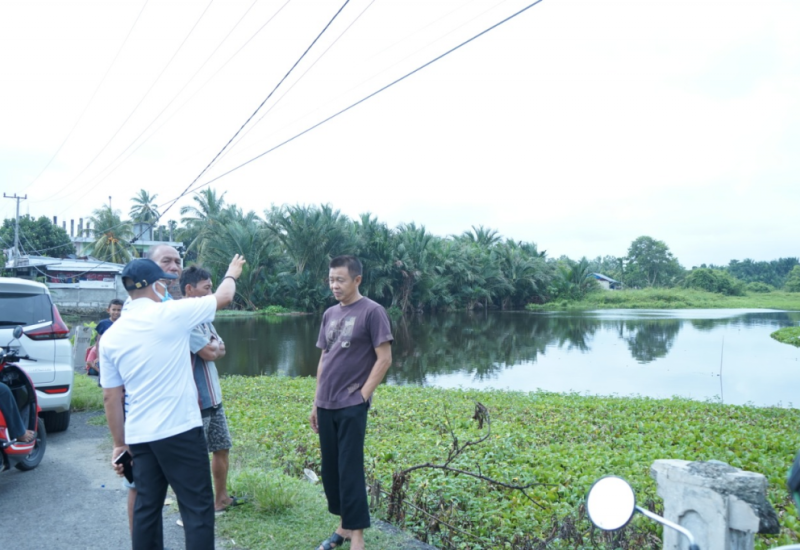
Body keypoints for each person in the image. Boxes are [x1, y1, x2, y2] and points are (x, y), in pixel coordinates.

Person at [101, 254, 245, 550]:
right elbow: (225, 296)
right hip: (180, 430)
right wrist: (232, 271)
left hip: (140, 437)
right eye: (164, 284)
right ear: (156, 287)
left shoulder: (111, 337)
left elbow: (111, 396)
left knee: (146, 508)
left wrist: (120, 443)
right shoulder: (173, 313)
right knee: (197, 508)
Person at [310, 256, 393, 550]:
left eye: (340, 280)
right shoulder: (330, 314)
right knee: (331, 470)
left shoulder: (373, 312)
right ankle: (344, 526)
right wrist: (316, 400)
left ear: (357, 280)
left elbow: (384, 359)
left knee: (350, 468)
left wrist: (362, 396)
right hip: (326, 403)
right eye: (331, 279)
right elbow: (324, 358)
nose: (334, 285)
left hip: (351, 405)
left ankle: (357, 537)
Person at [180, 265, 241, 514]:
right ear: (189, 289)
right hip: (196, 400)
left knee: (221, 447)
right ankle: (195, 508)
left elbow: (221, 350)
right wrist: (213, 347)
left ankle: (221, 498)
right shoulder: (184, 317)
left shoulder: (203, 318)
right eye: (207, 288)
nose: (211, 293)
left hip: (214, 397)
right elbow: (208, 352)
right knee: (195, 458)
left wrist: (213, 346)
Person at [86, 299, 123, 376]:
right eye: (114, 310)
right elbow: (98, 342)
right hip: (106, 355)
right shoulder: (103, 324)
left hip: (119, 354)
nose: (116, 312)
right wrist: (99, 357)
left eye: (119, 310)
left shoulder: (125, 323)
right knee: (102, 370)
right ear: (108, 310)